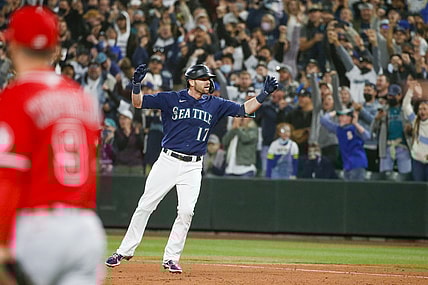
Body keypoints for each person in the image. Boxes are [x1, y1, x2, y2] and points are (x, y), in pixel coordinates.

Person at [105, 63, 278, 272]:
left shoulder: (215, 103)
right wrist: (135, 84)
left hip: (193, 166)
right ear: (191, 81)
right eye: (203, 79)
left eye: (208, 79)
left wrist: (263, 94)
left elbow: (244, 109)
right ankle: (123, 251)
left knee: (186, 211)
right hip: (168, 160)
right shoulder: (171, 98)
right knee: (146, 205)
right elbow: (139, 102)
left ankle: (171, 258)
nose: (207, 82)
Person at [0, 6, 106, 285]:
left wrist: (2, 241)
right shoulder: (82, 98)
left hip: (37, 228)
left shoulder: (16, 97)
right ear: (54, 46)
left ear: (12, 44)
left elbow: (7, 180)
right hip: (86, 229)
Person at [402, 81, 428, 181]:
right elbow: (406, 106)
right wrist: (411, 90)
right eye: (420, 109)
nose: (422, 111)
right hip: (417, 161)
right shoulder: (415, 121)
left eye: (425, 109)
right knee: (418, 188)